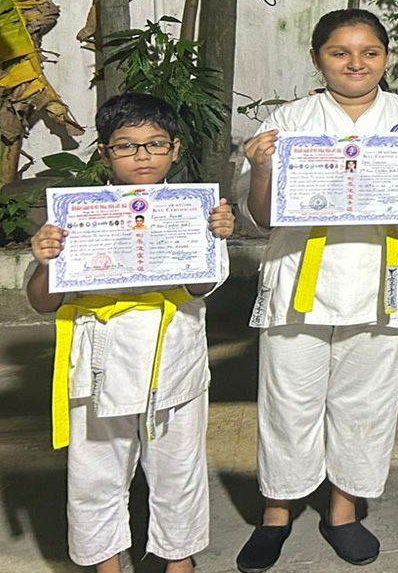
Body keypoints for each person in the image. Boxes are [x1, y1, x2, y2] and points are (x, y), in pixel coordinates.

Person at [233, 9, 398, 571]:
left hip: (383, 279)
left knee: (366, 404)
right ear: (317, 59)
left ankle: (343, 509)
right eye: (340, 52)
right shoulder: (289, 120)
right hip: (299, 282)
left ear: (386, 57)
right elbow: (260, 216)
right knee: (288, 405)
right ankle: (276, 512)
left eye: (370, 52)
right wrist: (260, 168)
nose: (356, 63)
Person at [26, 93, 234, 573]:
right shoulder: (74, 215)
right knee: (95, 473)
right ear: (103, 153)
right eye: (126, 146)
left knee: (177, 470)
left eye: (155, 144)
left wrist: (213, 236)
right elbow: (42, 301)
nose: (142, 156)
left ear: (175, 149)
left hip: (173, 353)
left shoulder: (193, 212)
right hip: (98, 358)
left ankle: (178, 560)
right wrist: (44, 261)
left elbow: (201, 286)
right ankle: (106, 563)